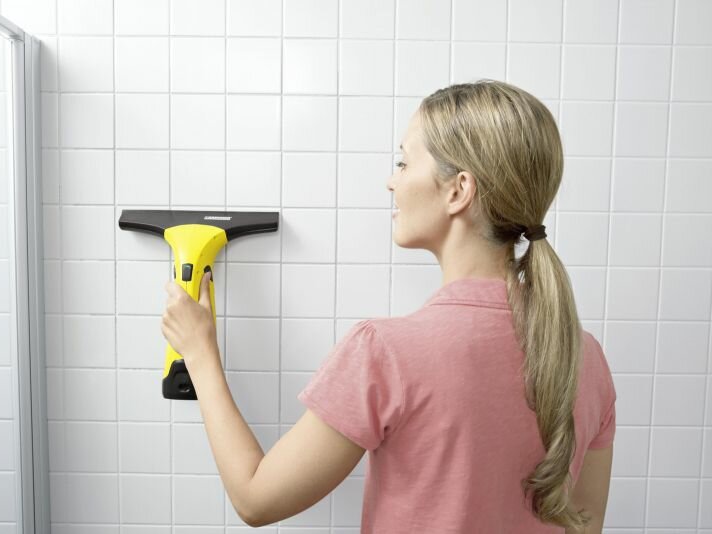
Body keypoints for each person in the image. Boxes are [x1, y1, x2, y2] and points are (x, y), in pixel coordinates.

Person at [245, 80, 616, 533]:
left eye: (403, 162)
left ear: (458, 190)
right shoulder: (585, 357)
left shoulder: (384, 352)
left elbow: (255, 500)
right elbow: (585, 524)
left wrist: (200, 351)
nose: (392, 181)